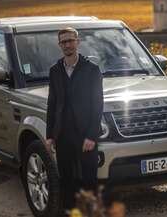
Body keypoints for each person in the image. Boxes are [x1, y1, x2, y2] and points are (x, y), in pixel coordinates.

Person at [45, 27, 104, 211]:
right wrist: (50, 135)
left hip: (85, 135)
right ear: (59, 45)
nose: (67, 44)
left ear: (78, 42)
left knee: (89, 179)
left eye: (71, 40)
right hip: (62, 134)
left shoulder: (92, 70)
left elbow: (98, 105)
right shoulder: (55, 70)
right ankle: (70, 211)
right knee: (66, 178)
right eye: (63, 41)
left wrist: (92, 136)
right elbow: (52, 104)